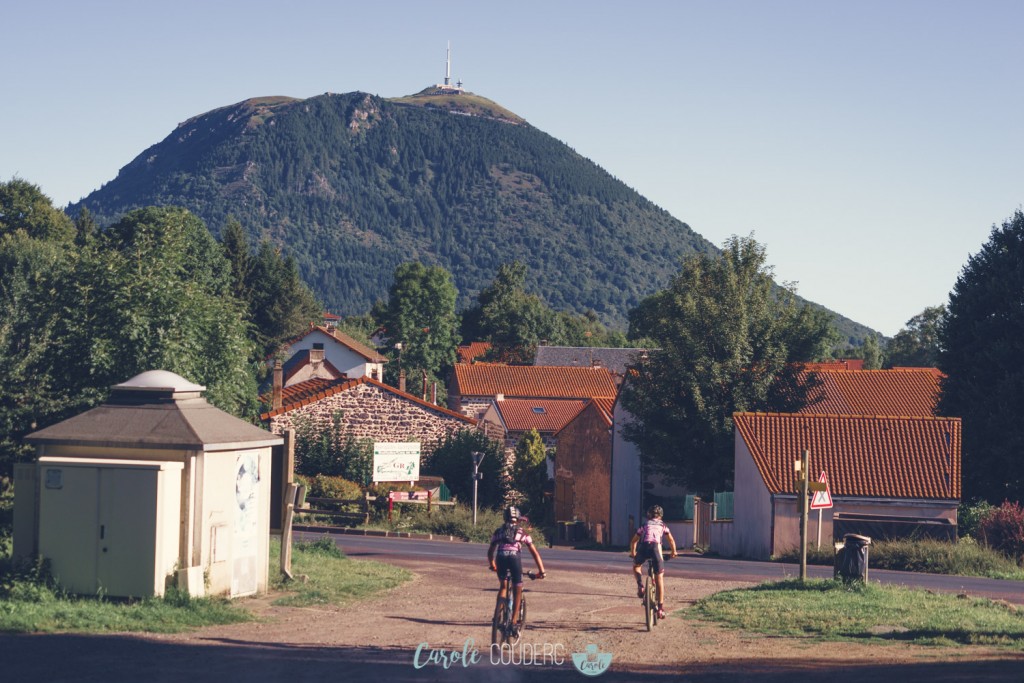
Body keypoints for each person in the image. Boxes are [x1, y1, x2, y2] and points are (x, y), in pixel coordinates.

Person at [488, 506, 545, 636]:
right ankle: (513, 623)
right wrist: (542, 571)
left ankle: (497, 616)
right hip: (515, 558)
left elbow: (490, 552)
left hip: (501, 557)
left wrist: (492, 564)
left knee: (503, 586)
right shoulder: (522, 533)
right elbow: (534, 553)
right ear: (518, 520)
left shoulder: (499, 531)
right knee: (517, 588)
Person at [630, 504, 678, 619]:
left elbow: (634, 541)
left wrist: (633, 553)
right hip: (656, 549)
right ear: (660, 516)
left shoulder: (645, 524)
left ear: (649, 516)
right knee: (659, 577)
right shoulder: (663, 525)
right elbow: (671, 540)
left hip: (644, 547)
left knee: (636, 566)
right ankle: (660, 609)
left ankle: (641, 586)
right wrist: (673, 552)